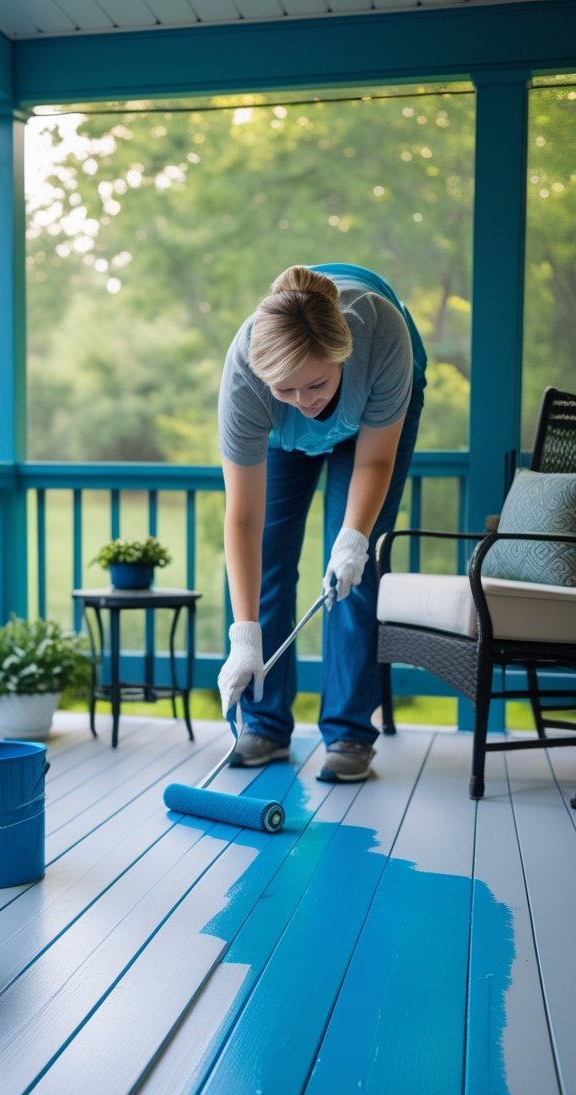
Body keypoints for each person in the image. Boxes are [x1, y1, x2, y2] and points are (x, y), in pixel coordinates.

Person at [217, 262, 427, 782]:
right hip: (279, 438)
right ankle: (264, 726)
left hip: (373, 417)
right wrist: (244, 637)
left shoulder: (381, 335)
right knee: (268, 558)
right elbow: (243, 518)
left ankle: (350, 733)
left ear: (341, 355)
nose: (305, 403)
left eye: (315, 384)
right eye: (286, 390)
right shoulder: (247, 375)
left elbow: (375, 462)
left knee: (351, 574)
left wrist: (354, 539)